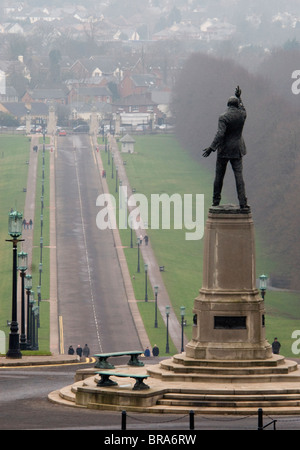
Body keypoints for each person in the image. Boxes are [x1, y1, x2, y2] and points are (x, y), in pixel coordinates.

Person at [202, 86, 248, 209]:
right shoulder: (242, 115)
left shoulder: (224, 117)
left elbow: (220, 134)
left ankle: (216, 201)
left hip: (224, 150)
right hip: (237, 149)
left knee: (219, 176)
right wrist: (239, 97)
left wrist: (211, 148)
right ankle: (243, 202)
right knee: (239, 177)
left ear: (227, 105)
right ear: (237, 104)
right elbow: (243, 108)